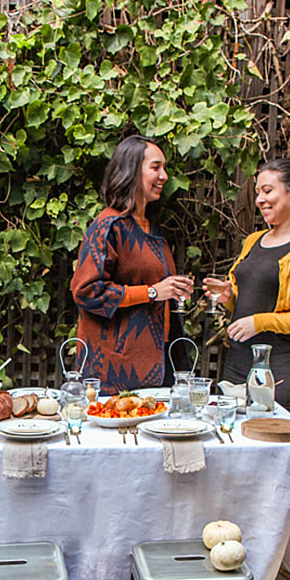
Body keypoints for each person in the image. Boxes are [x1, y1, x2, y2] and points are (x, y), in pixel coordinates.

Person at [204, 158, 290, 418]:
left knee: (270, 450)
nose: (260, 200)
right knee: (231, 443)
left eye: (267, 191)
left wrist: (261, 322)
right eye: (257, 193)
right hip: (237, 366)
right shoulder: (253, 241)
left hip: (280, 372)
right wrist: (229, 298)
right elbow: (252, 302)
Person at [70, 135, 194, 394]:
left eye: (165, 168)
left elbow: (156, 289)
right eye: (156, 167)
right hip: (115, 377)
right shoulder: (109, 226)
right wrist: (152, 292)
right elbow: (86, 291)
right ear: (131, 171)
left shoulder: (150, 227)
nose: (164, 176)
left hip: (158, 365)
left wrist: (172, 291)